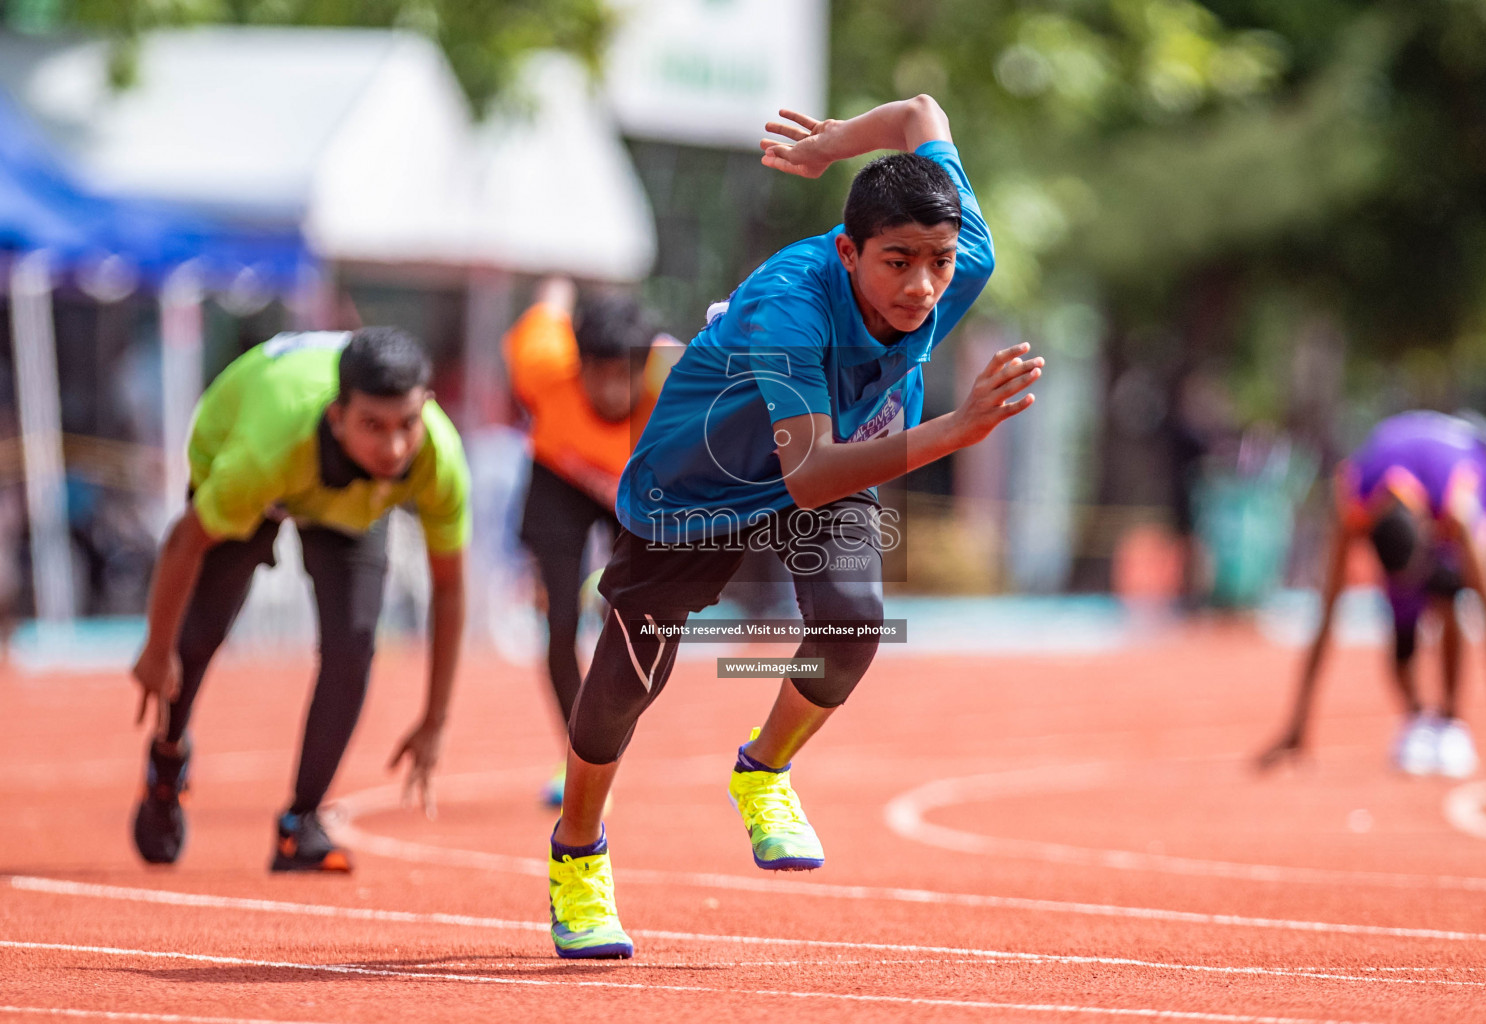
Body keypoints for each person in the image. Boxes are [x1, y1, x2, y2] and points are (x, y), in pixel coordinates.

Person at [543, 94, 1043, 959]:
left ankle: (763, 769)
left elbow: (924, 111)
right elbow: (806, 473)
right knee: (625, 684)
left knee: (852, 621)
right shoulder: (789, 308)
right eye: (896, 263)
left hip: (841, 447)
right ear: (847, 252)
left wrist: (833, 146)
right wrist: (955, 431)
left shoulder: (961, 255)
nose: (923, 287)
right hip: (703, 481)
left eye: (937, 261)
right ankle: (576, 855)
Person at [129, 328, 470, 872]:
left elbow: (449, 588)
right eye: (373, 427)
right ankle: (167, 762)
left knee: (354, 646)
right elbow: (184, 541)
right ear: (337, 417)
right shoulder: (262, 451)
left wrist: (436, 718)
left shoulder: (438, 457)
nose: (394, 447)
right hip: (245, 448)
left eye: (407, 424)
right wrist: (155, 647)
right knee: (194, 640)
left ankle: (300, 824)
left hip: (350, 505)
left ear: (426, 407)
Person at [1258, 410, 1486, 777]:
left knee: (1449, 597)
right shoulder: (1352, 506)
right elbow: (1326, 615)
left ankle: (1449, 719)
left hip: (1465, 459)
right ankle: (1419, 718)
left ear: (1429, 533)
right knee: (1401, 620)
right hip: (1399, 462)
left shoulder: (1461, 507)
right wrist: (1297, 726)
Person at [503, 279, 677, 806]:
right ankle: (576, 752)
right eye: (597, 377)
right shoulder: (543, 362)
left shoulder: (674, 377)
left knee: (636, 618)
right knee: (557, 624)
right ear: (578, 366)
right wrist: (558, 289)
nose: (610, 391)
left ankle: (607, 596)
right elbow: (547, 308)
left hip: (634, 486)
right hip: (560, 480)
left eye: (623, 376)